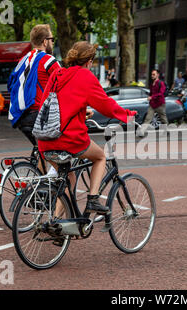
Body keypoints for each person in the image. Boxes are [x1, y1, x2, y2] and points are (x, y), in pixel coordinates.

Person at [37, 41, 137, 214]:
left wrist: (80, 114)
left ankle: (57, 223)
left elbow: (49, 106)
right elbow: (106, 105)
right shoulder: (85, 76)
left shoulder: (57, 74)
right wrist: (127, 115)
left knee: (68, 178)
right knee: (100, 158)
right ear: (89, 60)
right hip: (69, 139)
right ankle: (93, 199)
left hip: (45, 140)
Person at [8, 24, 61, 148]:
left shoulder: (24, 60)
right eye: (52, 40)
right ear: (45, 41)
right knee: (63, 150)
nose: (53, 43)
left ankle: (37, 166)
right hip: (39, 116)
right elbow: (65, 85)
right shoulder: (48, 60)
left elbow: (11, 83)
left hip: (21, 116)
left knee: (42, 153)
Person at [138, 69, 168, 136]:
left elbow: (161, 93)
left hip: (160, 104)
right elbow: (151, 93)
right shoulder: (152, 84)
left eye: (154, 74)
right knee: (148, 118)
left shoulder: (161, 83)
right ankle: (141, 132)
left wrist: (152, 97)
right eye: (152, 74)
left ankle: (166, 130)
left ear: (158, 75)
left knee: (163, 118)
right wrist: (149, 96)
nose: (152, 76)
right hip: (152, 104)